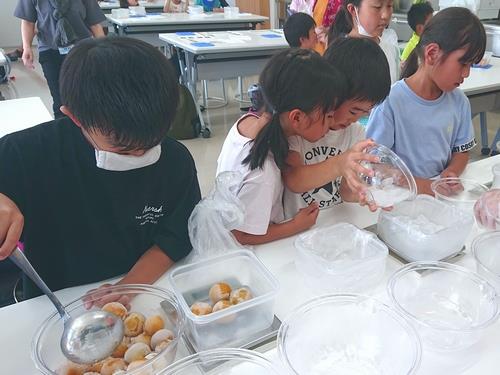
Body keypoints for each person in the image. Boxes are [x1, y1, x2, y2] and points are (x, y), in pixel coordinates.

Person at [0, 37, 201, 300]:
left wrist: (130, 286)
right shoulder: (25, 153)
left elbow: (176, 236)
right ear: (74, 117)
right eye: (125, 149)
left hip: (140, 282)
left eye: (152, 142)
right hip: (51, 298)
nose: (141, 154)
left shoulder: (175, 160)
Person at [216, 49, 344, 245]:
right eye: (328, 117)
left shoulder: (248, 122)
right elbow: (240, 235)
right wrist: (296, 225)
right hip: (256, 252)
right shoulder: (263, 172)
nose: (333, 122)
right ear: (297, 118)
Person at [366, 7, 486, 195]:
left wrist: (452, 171)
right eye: (463, 63)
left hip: (441, 199)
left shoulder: (459, 102)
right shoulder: (391, 102)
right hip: (401, 199)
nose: (466, 73)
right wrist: (428, 187)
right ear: (431, 54)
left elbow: (461, 151)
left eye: (471, 65)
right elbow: (374, 163)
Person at [283, 37, 391, 218]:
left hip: (334, 225)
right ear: (332, 92)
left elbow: (346, 191)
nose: (354, 119)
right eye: (353, 110)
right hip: (296, 227)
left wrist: (361, 192)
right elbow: (294, 179)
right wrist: (340, 164)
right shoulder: (301, 127)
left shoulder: (356, 133)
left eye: (363, 114)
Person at [14, 0, 106, 118]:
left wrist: (104, 49)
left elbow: (95, 24)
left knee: (84, 96)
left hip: (82, 51)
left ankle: (86, 133)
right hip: (50, 50)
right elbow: (28, 22)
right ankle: (62, 132)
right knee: (60, 100)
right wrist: (26, 47)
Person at [328, 0, 400, 84]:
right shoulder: (339, 55)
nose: (386, 15)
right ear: (352, 9)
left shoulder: (391, 49)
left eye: (389, 6)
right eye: (377, 7)